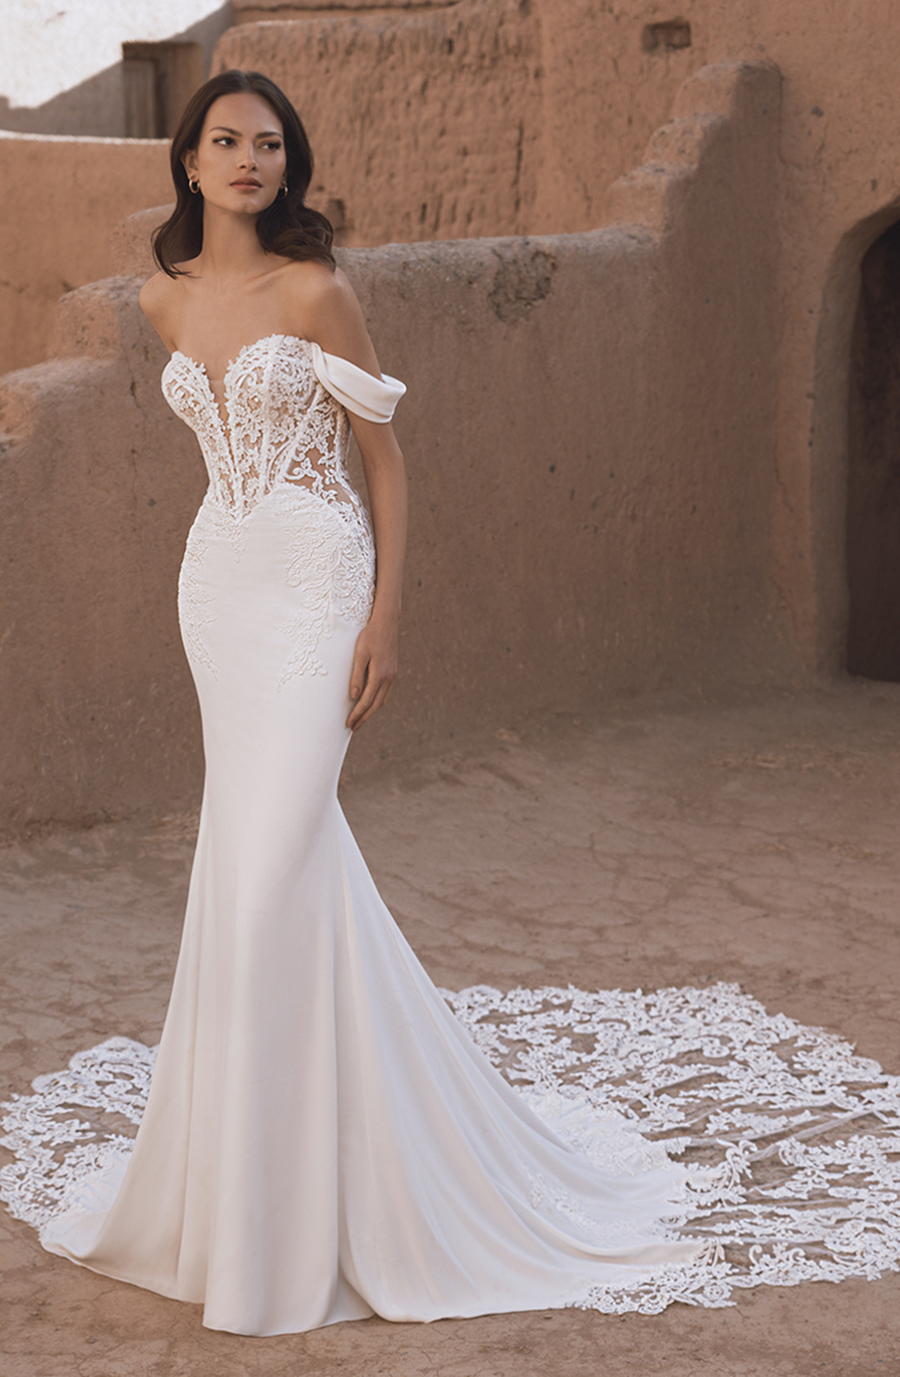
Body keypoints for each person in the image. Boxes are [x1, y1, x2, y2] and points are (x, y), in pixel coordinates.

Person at [32, 69, 714, 1334]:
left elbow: (384, 466)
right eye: (226, 141)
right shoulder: (159, 299)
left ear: (291, 167)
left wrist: (385, 617)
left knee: (275, 860)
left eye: (270, 145)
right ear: (188, 161)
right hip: (218, 590)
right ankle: (253, 1194)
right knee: (259, 873)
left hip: (315, 578)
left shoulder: (320, 293)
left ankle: (297, 1223)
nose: (248, 160)